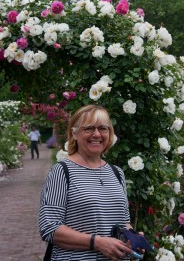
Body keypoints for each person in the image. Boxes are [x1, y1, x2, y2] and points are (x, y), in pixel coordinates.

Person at [39, 105, 134, 260]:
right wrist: (96, 242)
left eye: (103, 128)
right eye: (89, 128)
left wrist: (133, 238)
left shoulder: (116, 173)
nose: (96, 134)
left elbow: (124, 221)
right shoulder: (62, 172)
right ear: (74, 133)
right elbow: (49, 228)